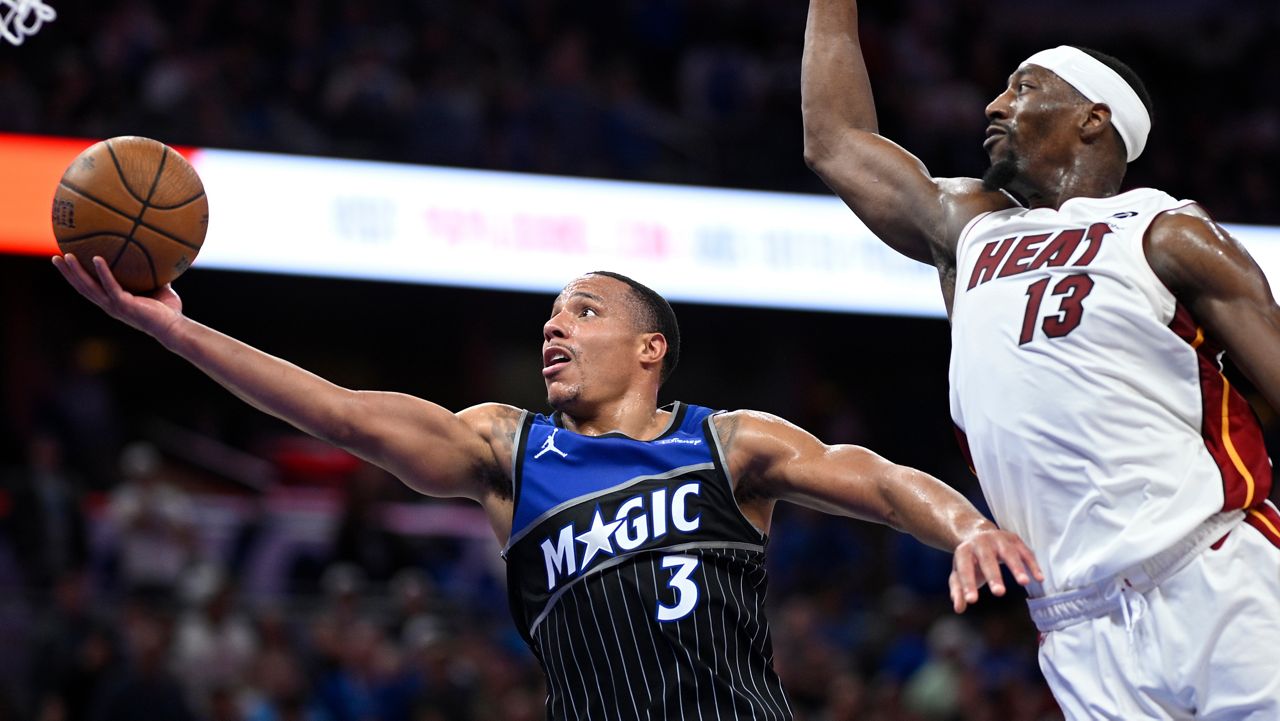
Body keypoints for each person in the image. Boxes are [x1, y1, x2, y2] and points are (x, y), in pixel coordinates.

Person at [54, 255, 1040, 720]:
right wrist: (172, 331)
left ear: (648, 348)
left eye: (583, 310)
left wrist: (963, 527)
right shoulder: (506, 449)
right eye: (548, 316)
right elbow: (343, 414)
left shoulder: (726, 444)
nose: (552, 330)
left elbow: (866, 473)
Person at [800, 2, 1280, 718]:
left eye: (1023, 87)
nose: (994, 103)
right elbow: (835, 142)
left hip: (1209, 574)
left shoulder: (1165, 229)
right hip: (1073, 620)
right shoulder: (969, 225)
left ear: (1092, 117)